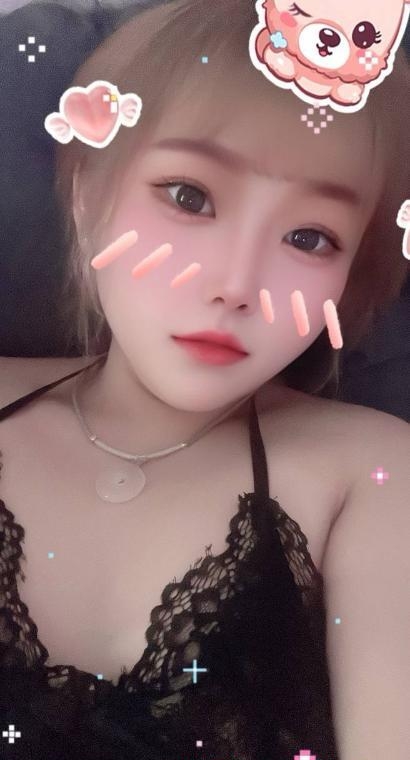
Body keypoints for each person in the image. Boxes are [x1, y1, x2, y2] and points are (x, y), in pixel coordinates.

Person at [0, 1, 409, 759]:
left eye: (309, 237)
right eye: (190, 196)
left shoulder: (375, 475)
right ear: (88, 195)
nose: (236, 285)